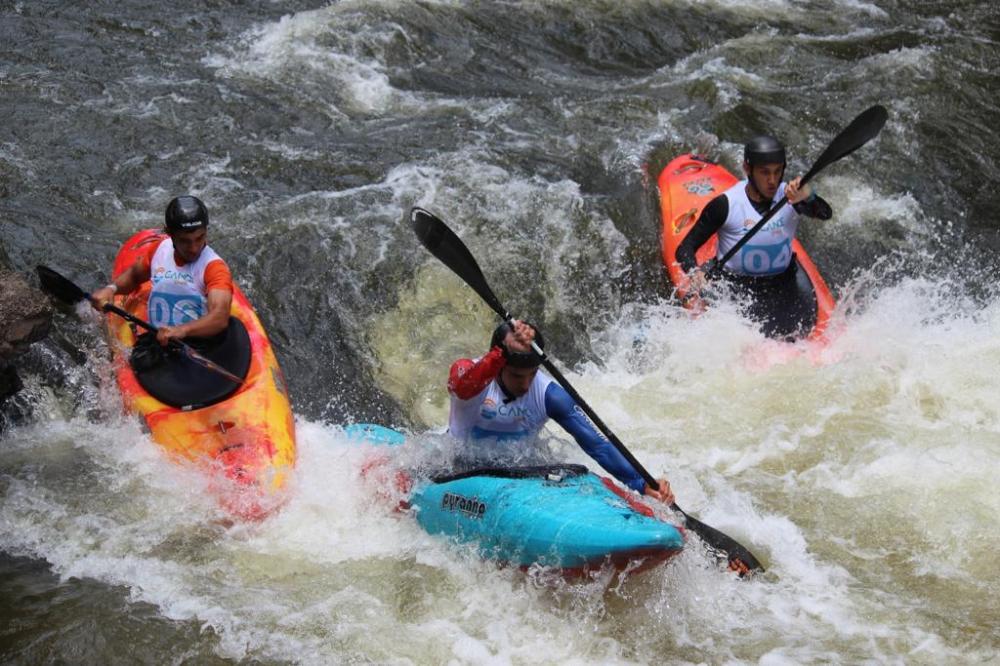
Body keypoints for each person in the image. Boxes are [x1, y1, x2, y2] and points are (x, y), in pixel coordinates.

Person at [447, 319, 675, 504]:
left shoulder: (550, 395)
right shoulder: (470, 373)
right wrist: (501, 353)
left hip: (520, 472)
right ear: (500, 366)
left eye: (532, 374)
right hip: (460, 469)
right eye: (517, 376)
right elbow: (462, 387)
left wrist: (641, 483)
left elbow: (598, 446)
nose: (525, 384)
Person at [675, 136, 833, 335]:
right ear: (747, 169)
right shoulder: (726, 204)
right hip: (736, 286)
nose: (772, 181)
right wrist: (694, 272)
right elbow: (685, 249)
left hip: (783, 284)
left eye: (777, 171)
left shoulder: (792, 197)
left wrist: (809, 196)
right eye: (765, 172)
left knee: (798, 336)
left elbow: (825, 214)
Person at [91, 195, 233, 349]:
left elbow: (220, 317)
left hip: (196, 346)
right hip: (158, 340)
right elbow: (134, 276)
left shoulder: (214, 267)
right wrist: (111, 289)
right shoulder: (159, 250)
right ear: (169, 233)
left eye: (200, 238)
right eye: (185, 241)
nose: (194, 248)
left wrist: (182, 330)